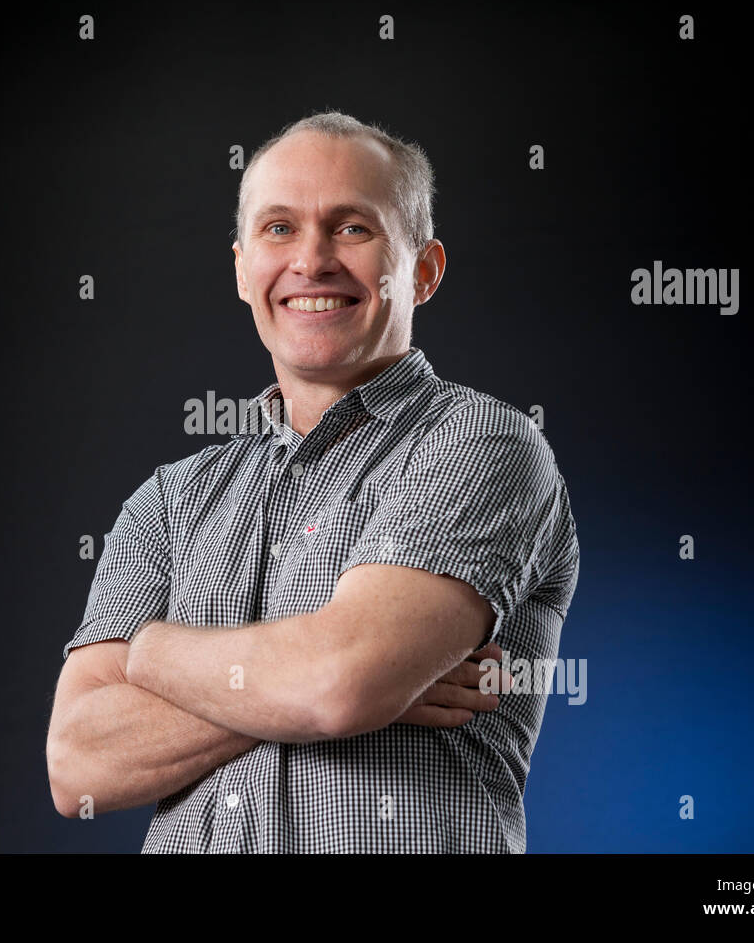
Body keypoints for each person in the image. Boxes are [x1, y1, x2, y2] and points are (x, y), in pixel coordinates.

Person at [46, 111, 580, 852]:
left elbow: (340, 683)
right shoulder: (168, 503)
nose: (312, 261)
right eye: (278, 229)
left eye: (353, 228)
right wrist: (343, 688)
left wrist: (152, 657)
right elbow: (78, 766)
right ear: (241, 269)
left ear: (423, 271)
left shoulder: (481, 444)